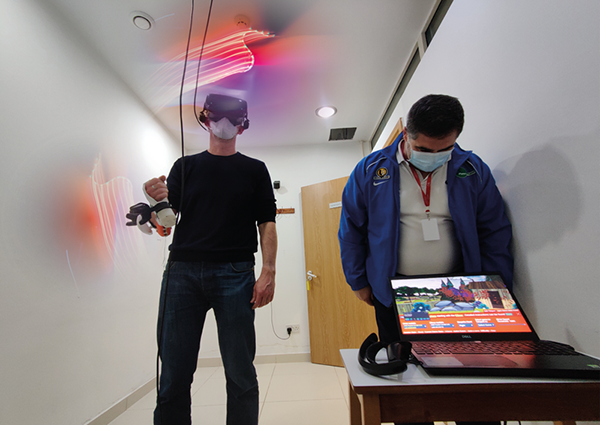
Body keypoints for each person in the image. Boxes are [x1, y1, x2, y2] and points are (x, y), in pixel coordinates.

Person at [339, 94, 512, 425]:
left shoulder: (473, 170)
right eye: (424, 149)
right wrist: (358, 280)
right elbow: (351, 230)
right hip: (394, 293)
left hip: (458, 293)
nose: (433, 157)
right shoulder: (371, 169)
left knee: (468, 386)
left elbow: (495, 232)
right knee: (406, 385)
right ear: (406, 134)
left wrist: (498, 289)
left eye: (443, 150)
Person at [144, 94, 277, 425]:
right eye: (218, 117)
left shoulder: (255, 170)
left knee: (240, 372)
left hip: (235, 274)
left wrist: (268, 271)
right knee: (174, 372)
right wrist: (156, 201)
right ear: (205, 119)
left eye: (233, 119)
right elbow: (164, 225)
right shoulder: (184, 167)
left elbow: (267, 223)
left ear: (243, 127)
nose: (224, 124)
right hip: (181, 273)